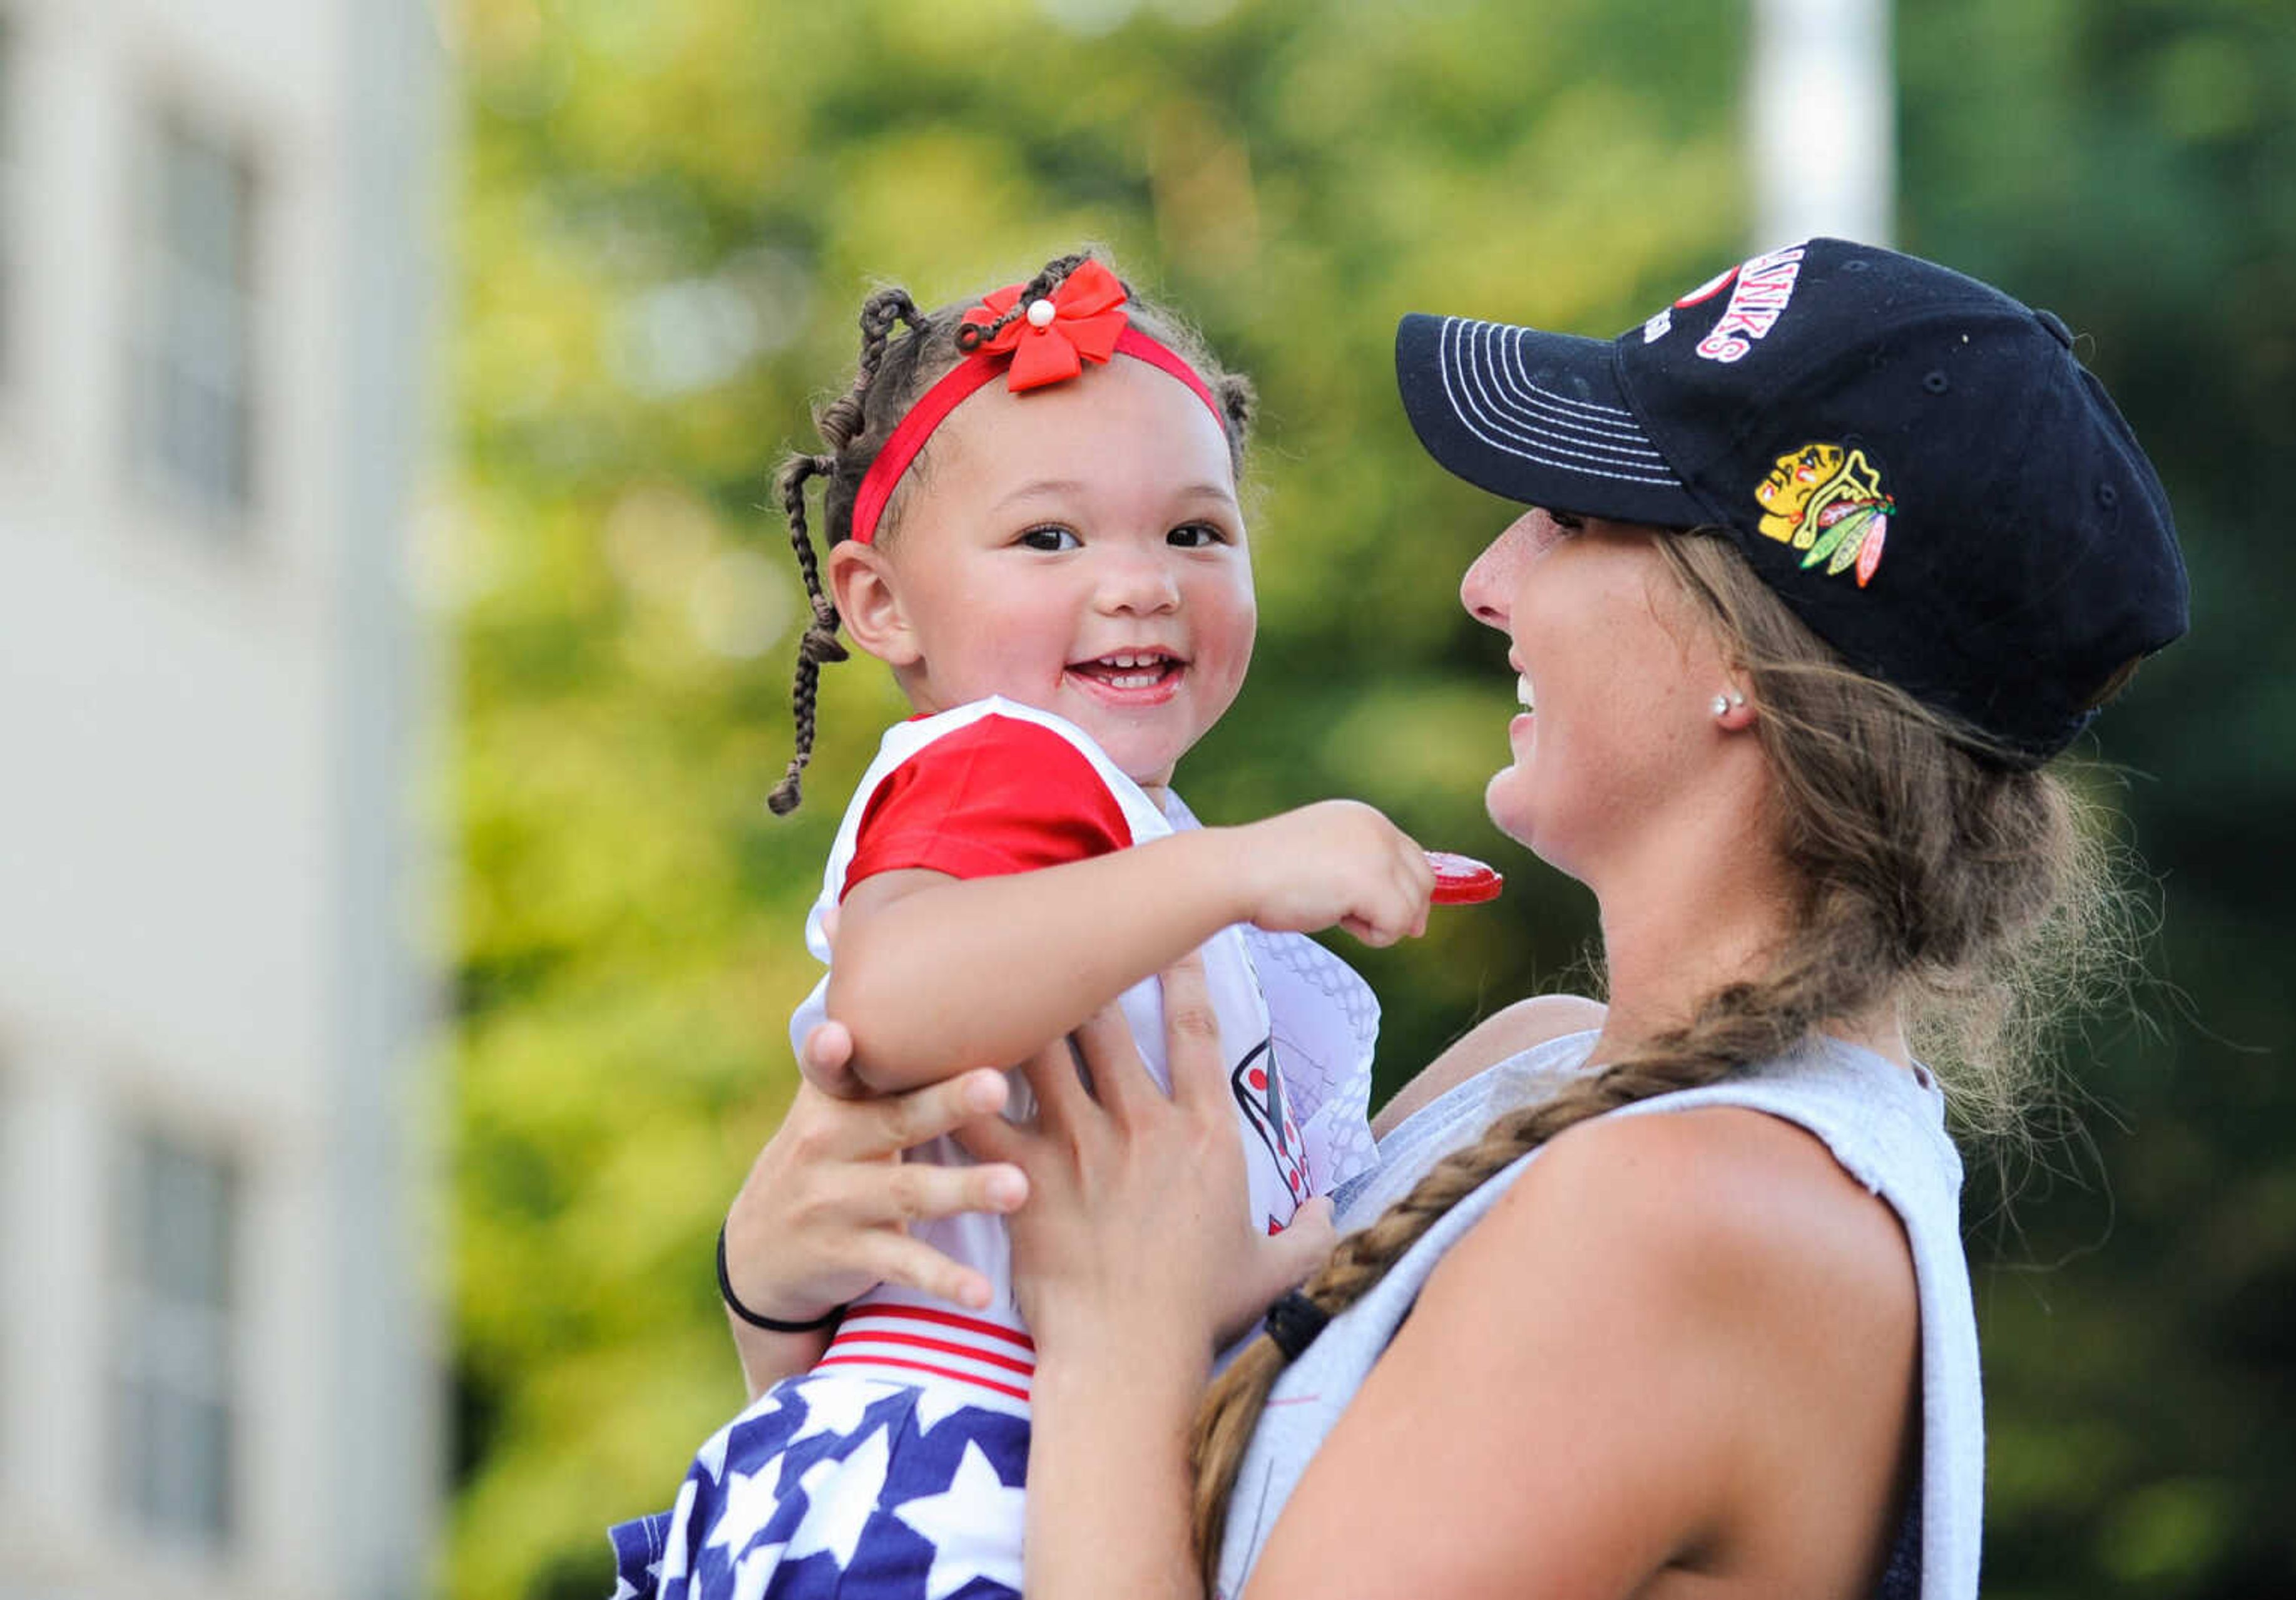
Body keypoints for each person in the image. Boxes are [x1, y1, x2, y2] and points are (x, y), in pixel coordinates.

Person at [722, 238, 2188, 1599]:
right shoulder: (1546, 1074)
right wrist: (782, 1286)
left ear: (1746, 650)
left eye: (1569, 516)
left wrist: (1116, 1344)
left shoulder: (1687, 1217)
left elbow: (1125, 1328)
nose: (1487, 581)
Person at [606, 250, 1437, 1600]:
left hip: (1033, 1461)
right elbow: (895, 999)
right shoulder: (1005, 762)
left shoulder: (1126, 835)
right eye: (1051, 538)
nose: (1140, 582)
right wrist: (1239, 869)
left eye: (1195, 533)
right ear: (881, 605)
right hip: (945, 1466)